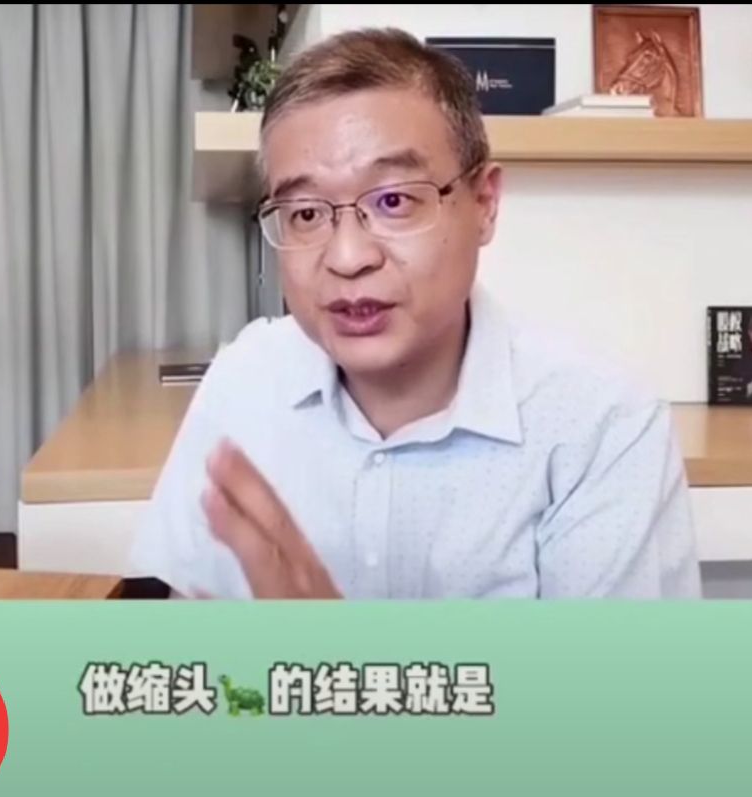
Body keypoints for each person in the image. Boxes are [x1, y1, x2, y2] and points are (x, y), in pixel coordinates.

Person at [125, 27, 701, 599]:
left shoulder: (601, 427)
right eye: (305, 214)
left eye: (393, 200)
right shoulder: (245, 381)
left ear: (484, 204)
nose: (347, 257)